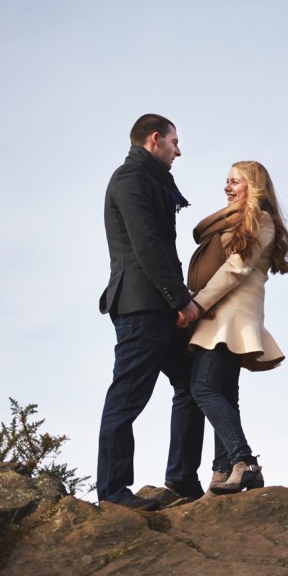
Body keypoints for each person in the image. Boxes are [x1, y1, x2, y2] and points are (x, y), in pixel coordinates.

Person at [97, 113, 205, 510]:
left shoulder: (152, 179)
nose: (179, 150)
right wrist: (180, 300)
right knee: (126, 396)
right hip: (141, 308)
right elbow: (147, 246)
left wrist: (175, 301)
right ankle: (112, 491)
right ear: (155, 139)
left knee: (195, 382)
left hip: (159, 306)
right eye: (175, 142)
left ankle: (181, 476)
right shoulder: (130, 179)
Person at [186, 160, 288, 495]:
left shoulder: (260, 220)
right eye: (226, 181)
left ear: (255, 187)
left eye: (235, 181)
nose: (227, 187)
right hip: (225, 316)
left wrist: (197, 304)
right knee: (224, 394)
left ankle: (244, 462)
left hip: (230, 317)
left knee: (203, 388)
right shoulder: (244, 221)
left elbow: (235, 269)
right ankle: (222, 473)